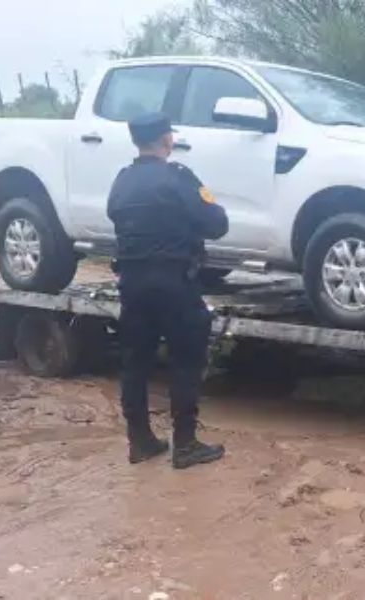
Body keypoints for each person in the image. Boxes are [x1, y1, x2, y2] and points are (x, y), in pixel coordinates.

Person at [107, 112, 229, 469]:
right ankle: (185, 444)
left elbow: (114, 215)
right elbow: (217, 224)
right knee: (186, 360)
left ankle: (140, 441)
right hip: (174, 282)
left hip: (132, 284)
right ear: (166, 139)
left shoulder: (122, 180)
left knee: (135, 362)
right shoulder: (179, 177)